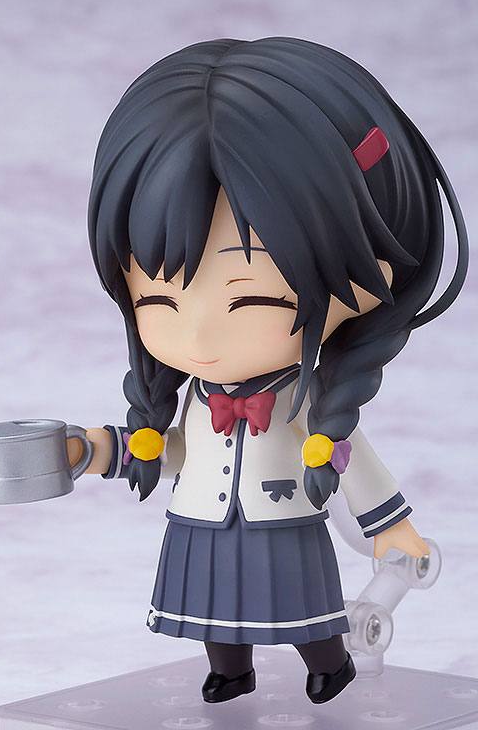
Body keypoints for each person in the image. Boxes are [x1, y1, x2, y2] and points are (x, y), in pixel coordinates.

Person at [69, 38, 468, 705]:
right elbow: (172, 451)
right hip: (200, 522)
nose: (200, 335)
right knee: (210, 609)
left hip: (283, 517)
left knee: (303, 607)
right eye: (158, 301)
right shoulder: (195, 398)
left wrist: (390, 527)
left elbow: (355, 465)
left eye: (251, 299)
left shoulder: (307, 401)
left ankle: (329, 663)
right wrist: (97, 450)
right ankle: (230, 669)